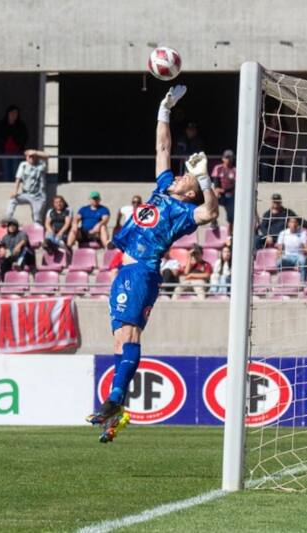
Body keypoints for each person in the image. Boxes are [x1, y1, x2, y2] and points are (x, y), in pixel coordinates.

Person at [86, 85, 219, 442]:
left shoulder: (184, 210)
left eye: (186, 177)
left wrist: (205, 178)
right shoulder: (163, 189)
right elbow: (163, 147)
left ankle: (114, 400)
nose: (181, 174)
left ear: (190, 191)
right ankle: (117, 413)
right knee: (119, 342)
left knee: (128, 335)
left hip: (142, 269)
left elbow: (210, 211)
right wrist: (164, 109)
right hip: (125, 271)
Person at [4, 149, 48, 224]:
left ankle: (37, 228)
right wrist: (15, 191)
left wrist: (35, 152)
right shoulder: (23, 165)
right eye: (29, 157)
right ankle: (8, 219)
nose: (31, 158)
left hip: (38, 195)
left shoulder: (41, 164)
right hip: (26, 194)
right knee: (13, 200)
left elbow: (47, 156)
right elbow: (18, 178)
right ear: (26, 157)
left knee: (37, 216)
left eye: (33, 156)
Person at [0, 105, 29, 181]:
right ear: (8, 114)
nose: (14, 115)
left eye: (16, 113)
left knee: (16, 171)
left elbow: (25, 137)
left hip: (17, 152)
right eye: (12, 113)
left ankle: (15, 187)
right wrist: (1, 146)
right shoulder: (1, 125)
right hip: (5, 152)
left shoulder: (21, 125)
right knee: (6, 171)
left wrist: (19, 145)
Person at [276, 217, 307, 281]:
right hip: (287, 256)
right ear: (288, 224)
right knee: (278, 262)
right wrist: (279, 256)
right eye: (291, 222)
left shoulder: (302, 233)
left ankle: (303, 283)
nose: (293, 224)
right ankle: (280, 281)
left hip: (298, 256)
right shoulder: (283, 233)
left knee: (303, 261)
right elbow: (279, 249)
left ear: (298, 223)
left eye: (295, 222)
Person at [212, 149, 236, 234]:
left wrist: (225, 190)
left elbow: (235, 184)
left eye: (230, 158)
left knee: (231, 215)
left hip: (230, 194)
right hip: (220, 194)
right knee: (212, 198)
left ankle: (230, 234)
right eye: (226, 158)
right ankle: (213, 220)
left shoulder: (234, 170)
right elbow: (215, 180)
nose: (228, 160)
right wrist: (217, 189)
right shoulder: (218, 168)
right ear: (223, 158)